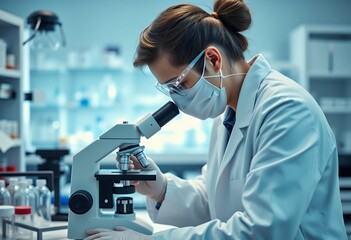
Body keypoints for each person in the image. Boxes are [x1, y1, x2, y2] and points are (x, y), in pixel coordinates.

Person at [84, 0, 348, 239]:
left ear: (212, 59)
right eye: (170, 90)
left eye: (179, 84)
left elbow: (264, 230)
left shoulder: (287, 110)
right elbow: (214, 202)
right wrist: (160, 188)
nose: (178, 99)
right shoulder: (227, 114)